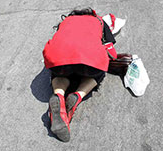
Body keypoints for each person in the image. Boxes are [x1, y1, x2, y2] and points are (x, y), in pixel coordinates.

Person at [42, 8, 118, 142]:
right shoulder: (99, 21)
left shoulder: (65, 21)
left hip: (60, 62)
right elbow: (111, 52)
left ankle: (59, 94)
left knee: (60, 65)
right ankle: (77, 96)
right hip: (88, 66)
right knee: (99, 69)